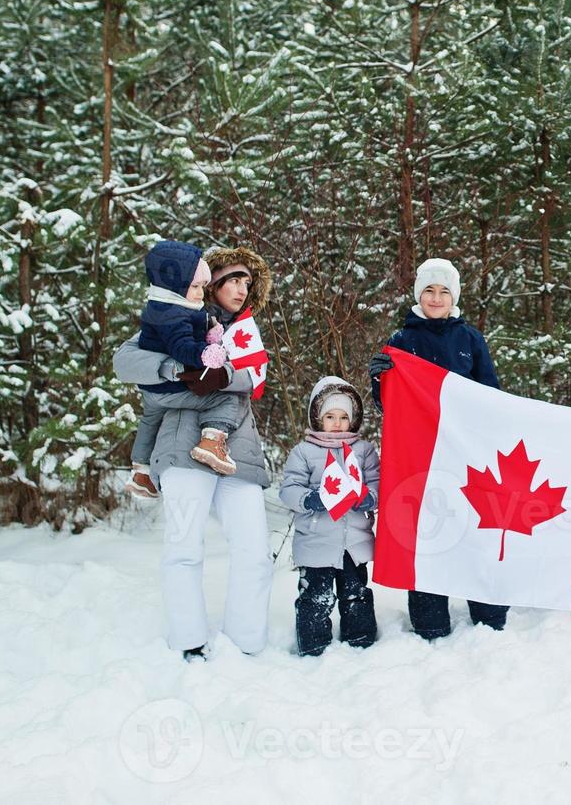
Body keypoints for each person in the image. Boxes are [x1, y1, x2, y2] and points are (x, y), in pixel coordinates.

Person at [111, 247, 275, 662]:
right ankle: (188, 641)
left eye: (246, 283)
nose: (240, 290)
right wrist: (176, 370)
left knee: (254, 551)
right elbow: (126, 361)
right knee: (184, 548)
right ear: (208, 284)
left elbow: (253, 379)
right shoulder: (173, 316)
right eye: (231, 281)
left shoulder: (246, 331)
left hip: (239, 450)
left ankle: (246, 642)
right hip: (182, 445)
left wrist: (220, 376)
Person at [369, 257, 508, 639]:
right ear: (418, 295)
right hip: (422, 454)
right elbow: (389, 406)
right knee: (429, 529)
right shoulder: (402, 341)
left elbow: (490, 394)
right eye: (429, 290)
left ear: (454, 297)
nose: (436, 297)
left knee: (475, 526)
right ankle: (430, 616)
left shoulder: (470, 339)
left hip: (467, 451)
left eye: (444, 291)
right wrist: (380, 379)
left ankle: (488, 609)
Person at [125, 240, 239, 498]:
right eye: (195, 287)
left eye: (202, 287)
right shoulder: (173, 314)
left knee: (148, 423)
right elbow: (180, 346)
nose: (200, 293)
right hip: (170, 387)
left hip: (152, 389)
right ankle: (212, 441)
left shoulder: (164, 306)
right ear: (175, 286)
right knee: (225, 398)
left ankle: (141, 472)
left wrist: (209, 334)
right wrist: (205, 354)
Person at [279, 377, 380, 656]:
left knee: (356, 592)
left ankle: (361, 640)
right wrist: (309, 499)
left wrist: (369, 497)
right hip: (316, 541)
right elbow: (288, 489)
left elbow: (377, 482)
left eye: (344, 416)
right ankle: (313, 645)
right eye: (330, 416)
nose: (337, 422)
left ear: (353, 419)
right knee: (316, 597)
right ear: (317, 417)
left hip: (354, 542)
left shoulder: (363, 451)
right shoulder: (304, 452)